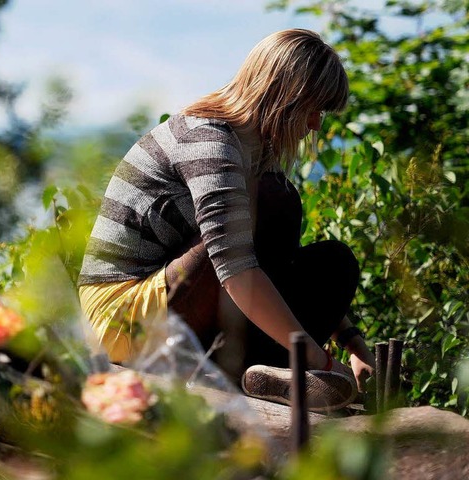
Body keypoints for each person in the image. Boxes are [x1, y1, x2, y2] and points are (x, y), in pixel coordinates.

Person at [77, 29, 376, 410]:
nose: (316, 124)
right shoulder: (208, 141)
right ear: (285, 97)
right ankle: (256, 369)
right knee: (271, 201)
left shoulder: (247, 150)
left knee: (334, 262)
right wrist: (320, 360)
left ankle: (262, 373)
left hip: (178, 299)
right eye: (313, 109)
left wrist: (352, 341)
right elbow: (235, 269)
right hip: (121, 317)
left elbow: (277, 263)